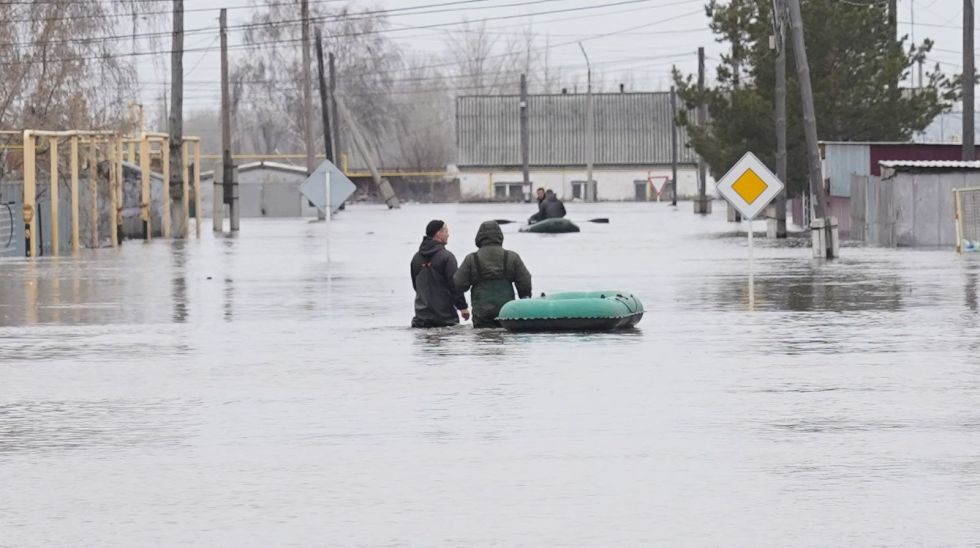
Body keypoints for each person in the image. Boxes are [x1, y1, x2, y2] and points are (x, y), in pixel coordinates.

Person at [454, 221, 532, 328]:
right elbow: (525, 281)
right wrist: (524, 296)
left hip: (481, 314)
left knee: (484, 340)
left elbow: (458, 284)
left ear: (479, 237)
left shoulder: (472, 259)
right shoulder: (512, 256)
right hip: (507, 312)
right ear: (500, 236)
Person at [410, 220, 470, 328]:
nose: (448, 235)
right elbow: (454, 285)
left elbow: (416, 287)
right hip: (445, 319)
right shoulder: (447, 257)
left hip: (421, 319)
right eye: (446, 231)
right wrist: (463, 308)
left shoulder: (416, 258)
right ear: (438, 234)